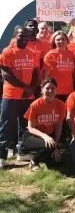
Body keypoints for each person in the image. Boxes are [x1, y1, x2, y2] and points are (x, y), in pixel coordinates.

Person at [0, 27, 38, 168]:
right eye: (21, 35)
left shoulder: (31, 53)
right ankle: (2, 157)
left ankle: (22, 152)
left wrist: (32, 87)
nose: (25, 38)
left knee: (26, 126)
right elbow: (6, 74)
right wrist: (25, 87)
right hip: (11, 96)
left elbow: (35, 71)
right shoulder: (7, 52)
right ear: (15, 35)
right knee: (7, 126)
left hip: (28, 97)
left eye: (27, 36)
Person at [21, 78, 65, 171]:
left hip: (49, 137)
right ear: (42, 89)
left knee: (57, 164)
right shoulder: (36, 104)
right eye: (47, 88)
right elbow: (31, 128)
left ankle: (44, 156)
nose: (50, 91)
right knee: (47, 145)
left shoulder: (60, 104)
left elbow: (58, 127)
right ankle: (34, 161)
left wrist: (56, 146)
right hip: (31, 136)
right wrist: (45, 137)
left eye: (53, 88)